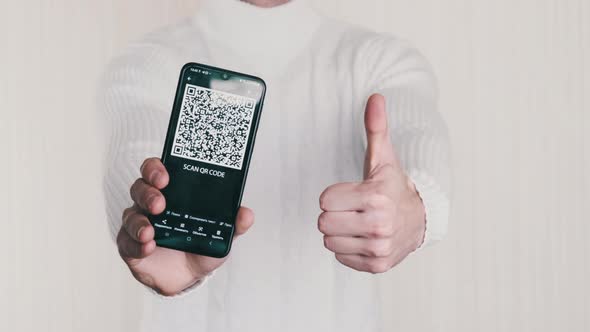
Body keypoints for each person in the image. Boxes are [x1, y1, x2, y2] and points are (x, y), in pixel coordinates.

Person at [98, 0, 451, 331]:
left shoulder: (381, 60)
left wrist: (415, 206)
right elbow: (133, 155)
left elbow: (418, 135)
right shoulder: (145, 63)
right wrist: (148, 225)